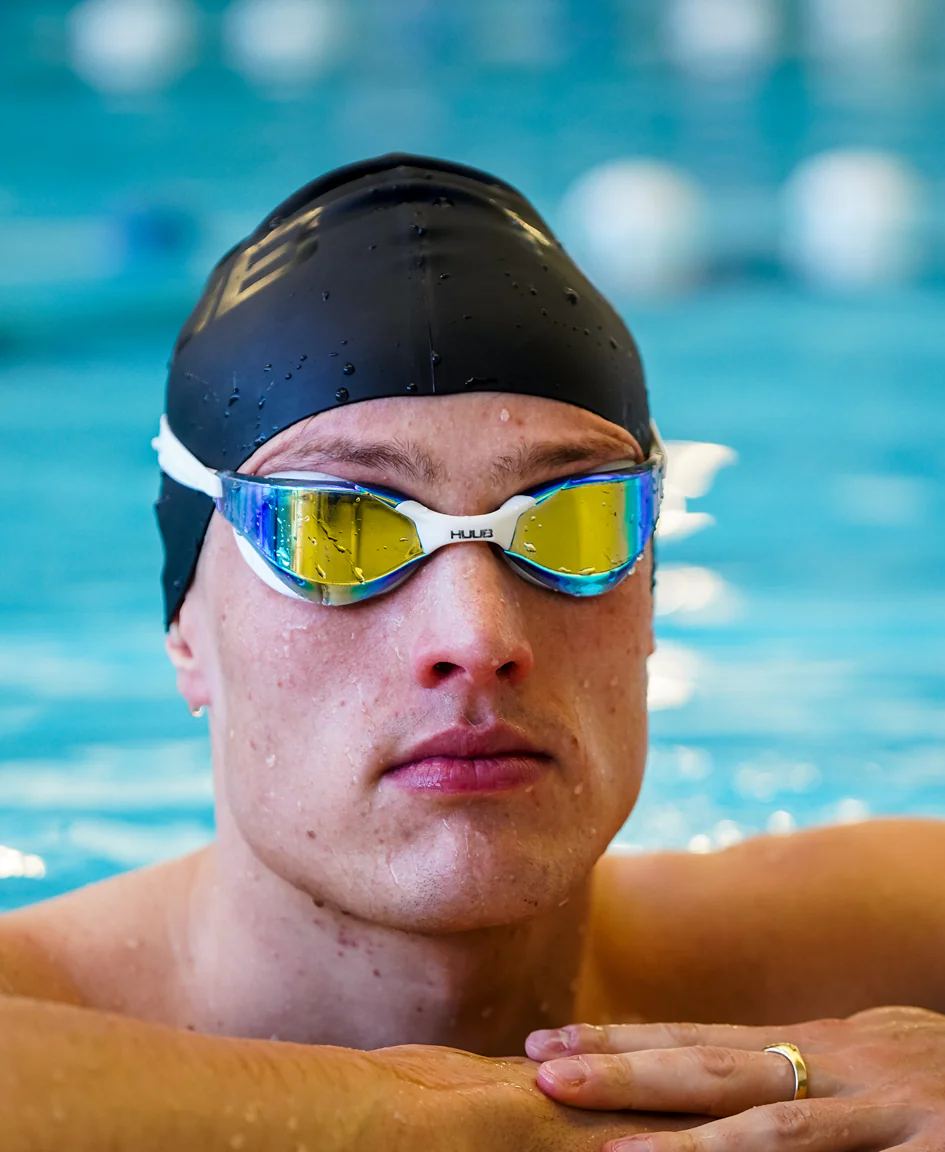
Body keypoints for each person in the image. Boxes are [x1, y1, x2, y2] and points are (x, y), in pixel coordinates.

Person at [1, 154, 943, 1152]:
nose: (479, 640)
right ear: (185, 629)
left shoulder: (878, 954)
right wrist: (477, 1117)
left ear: (650, 605)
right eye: (338, 531)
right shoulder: (42, 1002)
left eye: (570, 526)